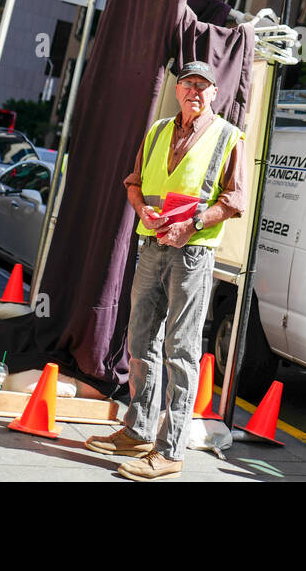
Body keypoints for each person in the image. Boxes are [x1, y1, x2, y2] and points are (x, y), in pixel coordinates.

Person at [84, 61, 246, 481]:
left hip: (191, 254)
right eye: (188, 83)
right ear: (177, 89)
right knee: (140, 340)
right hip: (152, 245)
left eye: (203, 86)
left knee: (181, 349)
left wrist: (190, 225)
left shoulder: (228, 136)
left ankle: (170, 450)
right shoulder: (157, 130)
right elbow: (134, 182)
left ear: (214, 93)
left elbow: (234, 199)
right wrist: (143, 209)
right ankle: (138, 430)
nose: (194, 90)